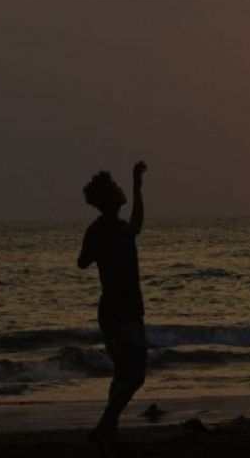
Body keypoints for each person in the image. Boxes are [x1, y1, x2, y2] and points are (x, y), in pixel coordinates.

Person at [78, 161, 148, 446]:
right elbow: (83, 261)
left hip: (127, 308)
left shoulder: (112, 227)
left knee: (124, 373)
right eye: (119, 188)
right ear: (110, 198)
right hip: (118, 311)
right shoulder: (106, 229)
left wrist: (136, 186)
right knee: (135, 374)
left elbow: (135, 225)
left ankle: (109, 428)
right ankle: (105, 425)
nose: (122, 192)